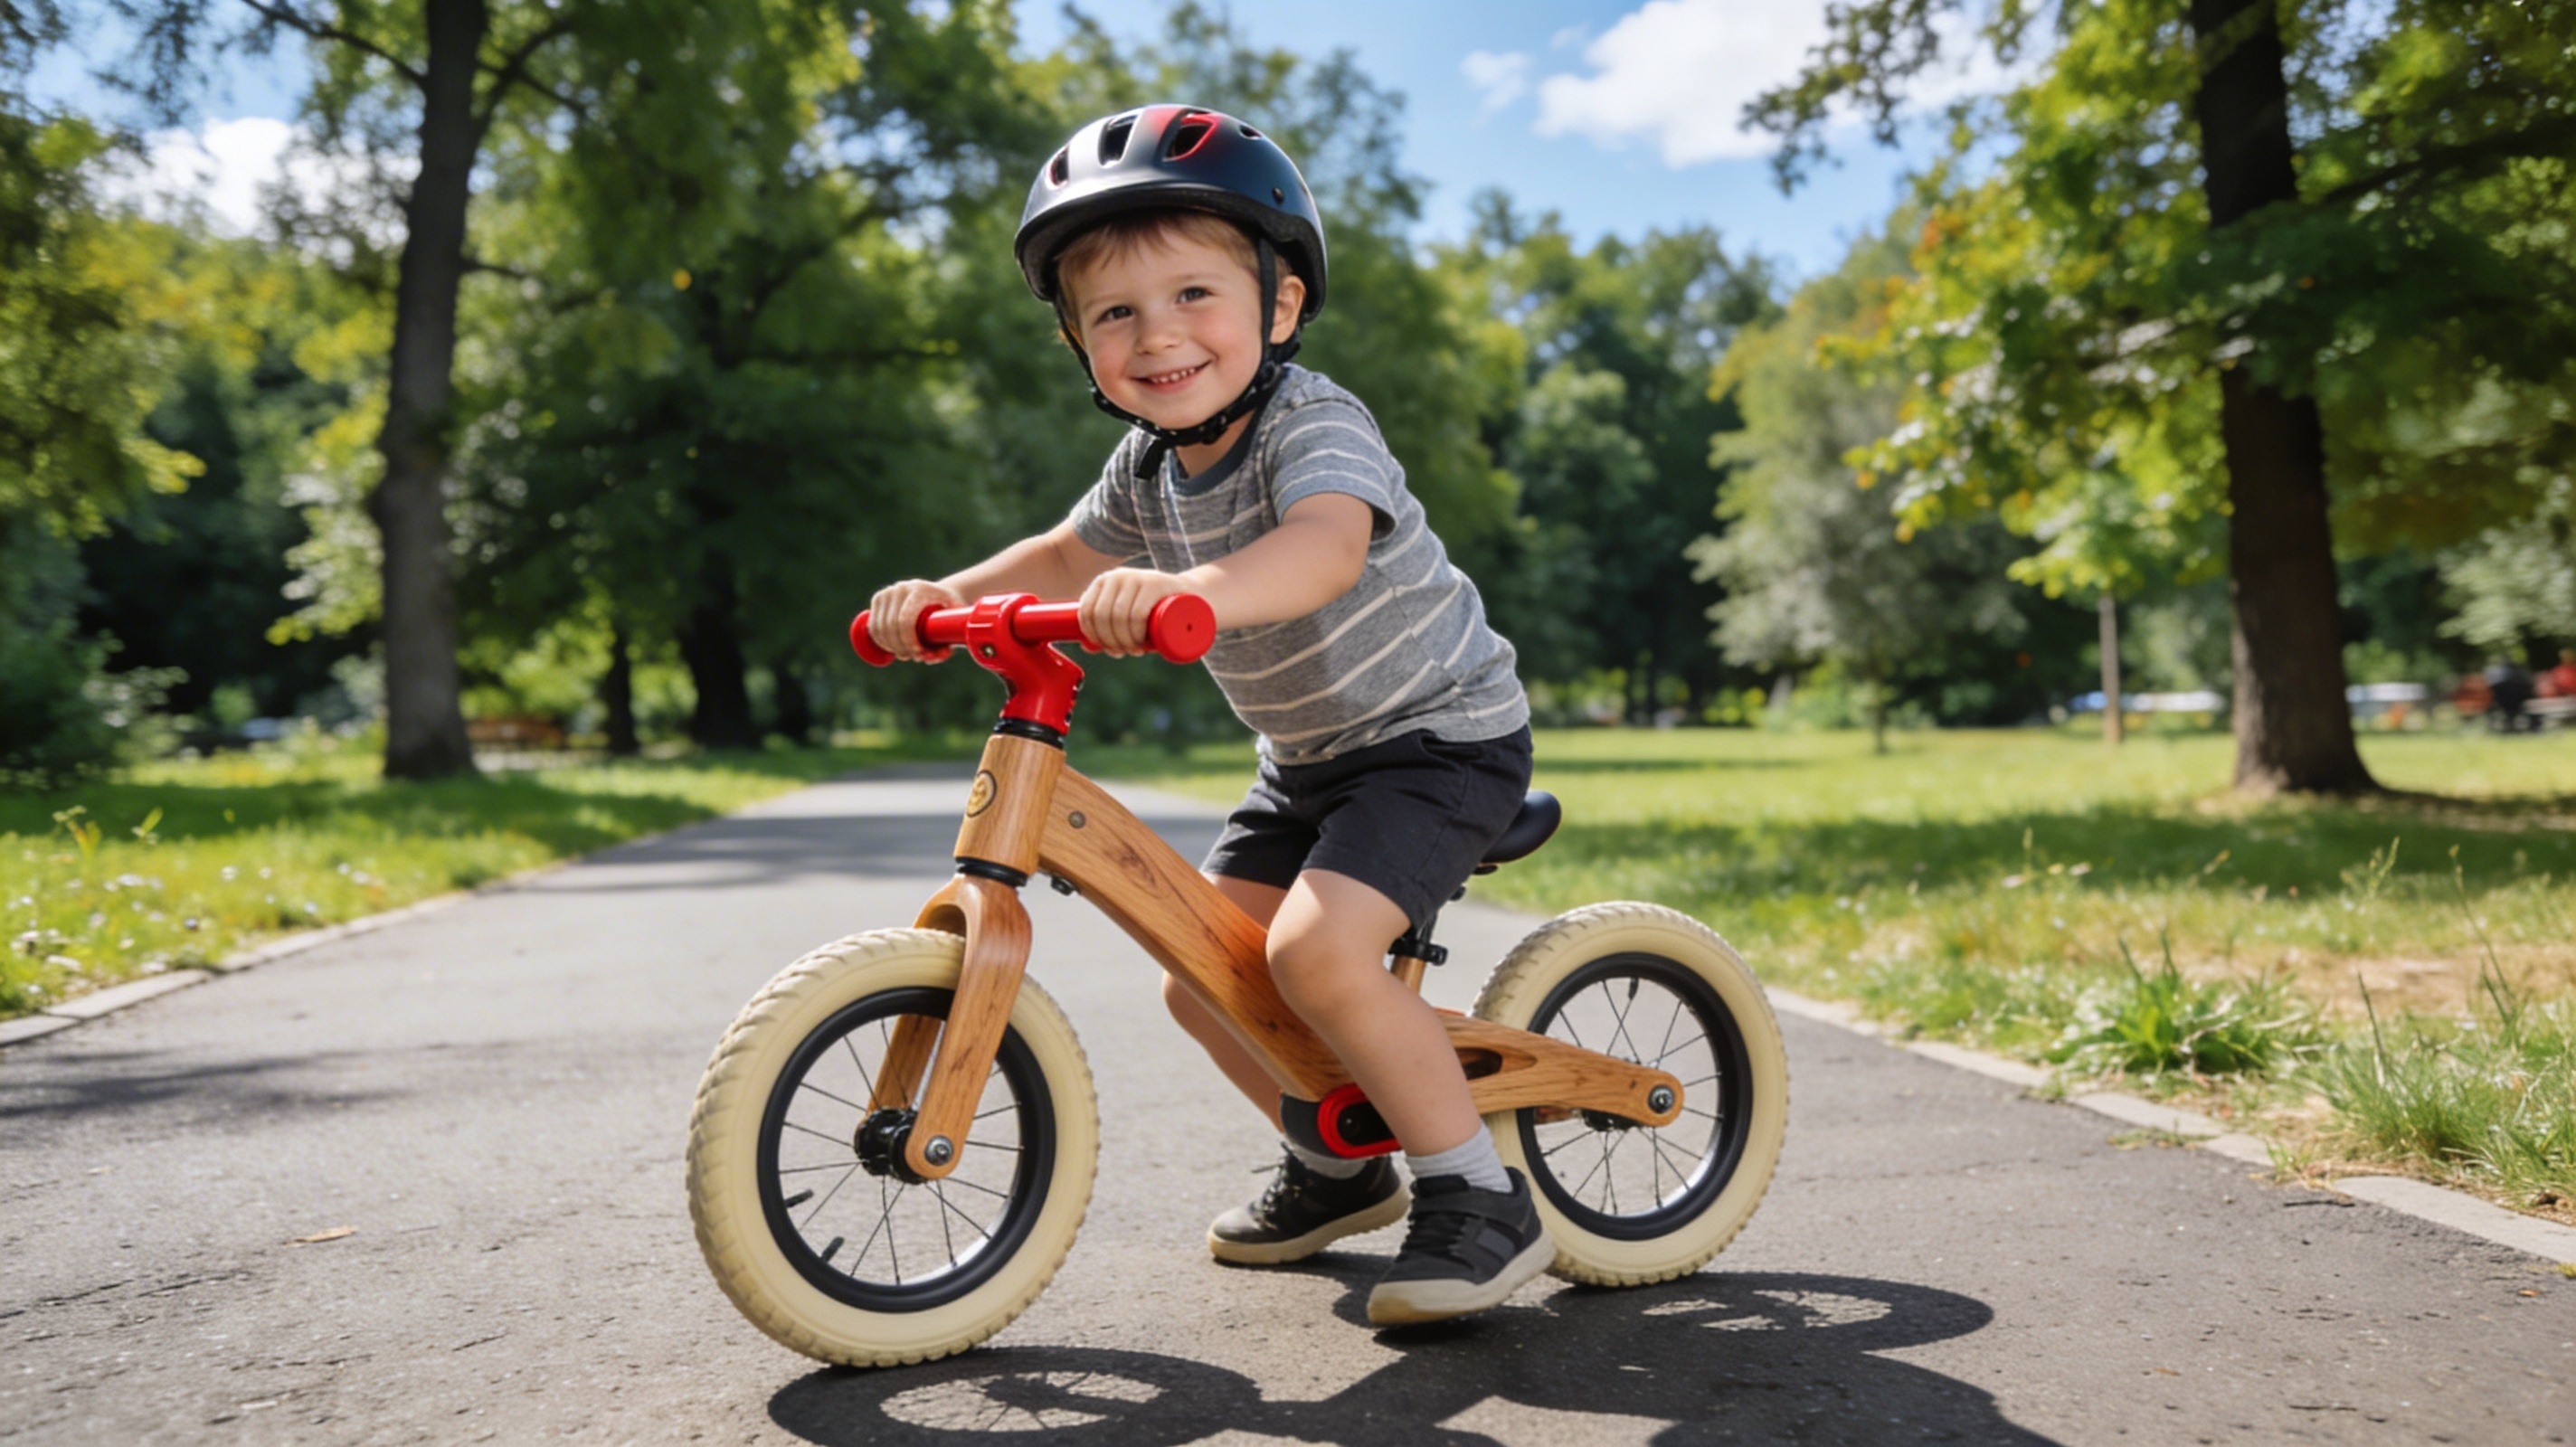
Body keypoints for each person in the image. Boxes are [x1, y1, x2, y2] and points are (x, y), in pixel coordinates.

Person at [866, 106, 1546, 1327]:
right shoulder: (1145, 468)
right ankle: (1340, 1167)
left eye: (1193, 294)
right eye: (1115, 313)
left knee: (1315, 958)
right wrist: (943, 600)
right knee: (1203, 978)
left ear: (1279, 306)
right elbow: (1061, 555)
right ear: (1077, 341)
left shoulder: (1314, 424)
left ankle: (1479, 1198)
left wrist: (1197, 594)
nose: (1159, 334)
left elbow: (1326, 547)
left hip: (1438, 741)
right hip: (1309, 763)